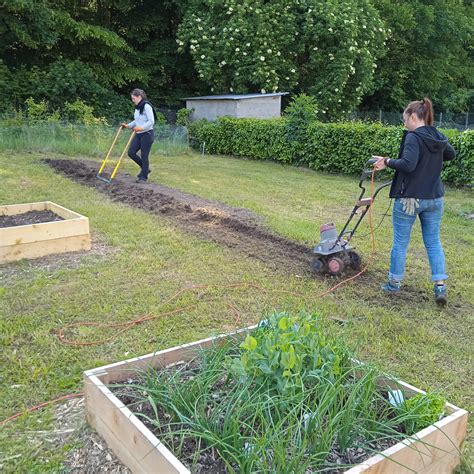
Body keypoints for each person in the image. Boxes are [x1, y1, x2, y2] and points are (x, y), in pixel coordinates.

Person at [373, 98, 455, 306]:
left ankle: (393, 284)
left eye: (405, 120)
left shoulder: (413, 136)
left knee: (400, 242)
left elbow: (408, 165)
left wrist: (387, 161)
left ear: (412, 116)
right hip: (435, 198)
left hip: (410, 199)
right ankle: (440, 286)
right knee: (433, 242)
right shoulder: (436, 135)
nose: (404, 124)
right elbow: (450, 154)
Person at [121, 89, 155, 183]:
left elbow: (151, 121)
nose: (133, 100)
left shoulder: (146, 106)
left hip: (147, 134)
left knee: (144, 155)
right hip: (139, 134)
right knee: (131, 152)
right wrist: (128, 126)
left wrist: (141, 128)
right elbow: (137, 121)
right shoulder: (138, 107)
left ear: (139, 97)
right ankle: (146, 169)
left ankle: (143, 177)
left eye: (133, 98)